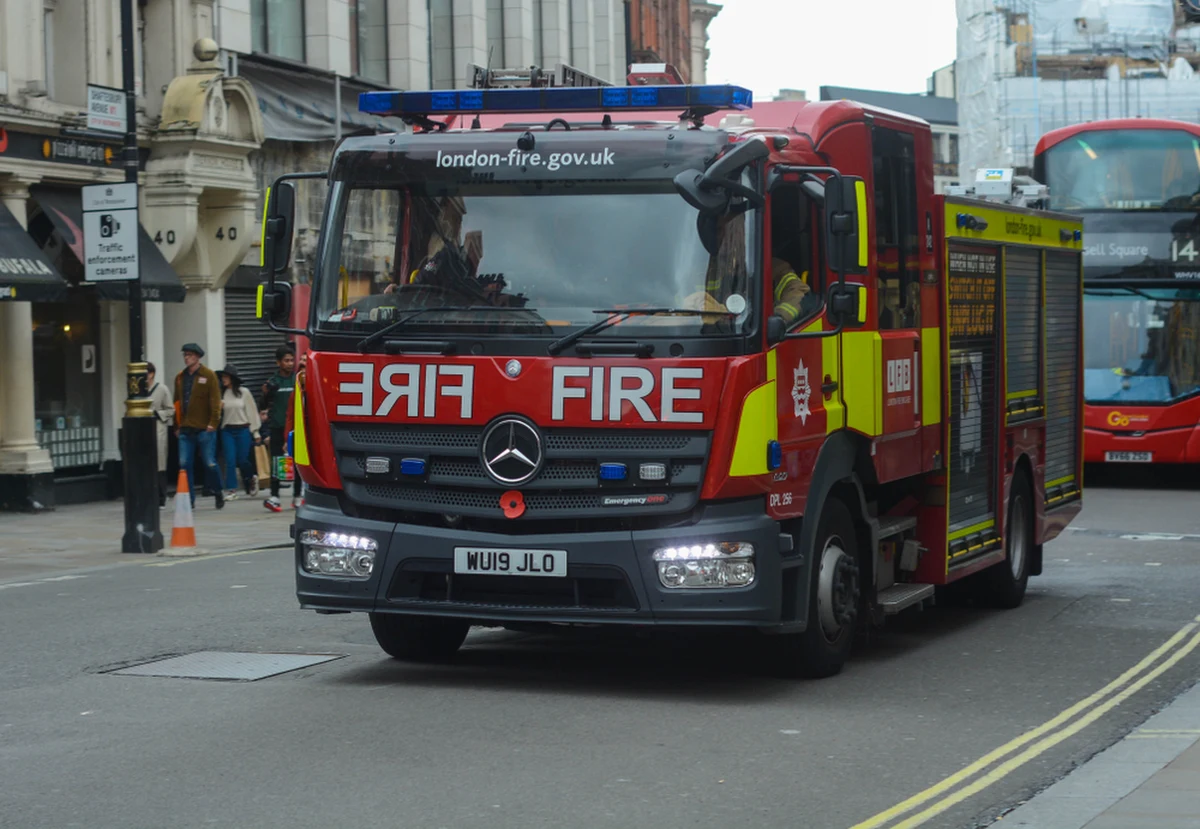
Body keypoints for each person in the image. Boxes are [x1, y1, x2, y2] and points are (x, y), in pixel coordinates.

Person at [173, 342, 223, 510]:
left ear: (198, 357)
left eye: (190, 355)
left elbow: (215, 401)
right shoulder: (180, 377)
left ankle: (218, 491)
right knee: (184, 464)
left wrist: (213, 423)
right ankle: (190, 499)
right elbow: (177, 402)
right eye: (185, 355)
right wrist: (177, 424)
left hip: (204, 428)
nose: (186, 358)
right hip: (186, 428)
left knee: (210, 463)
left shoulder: (208, 375)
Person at [260, 344, 300, 512]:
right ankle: (275, 496)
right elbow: (263, 406)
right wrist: (265, 394)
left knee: (298, 462)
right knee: (277, 461)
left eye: (292, 360)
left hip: (296, 428)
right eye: (286, 361)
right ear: (278, 362)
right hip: (277, 426)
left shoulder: (297, 380)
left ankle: (297, 496)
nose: (290, 364)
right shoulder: (273, 382)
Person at [218, 364, 261, 501]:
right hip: (227, 430)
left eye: (226, 377)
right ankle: (232, 490)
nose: (223, 379)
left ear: (232, 378)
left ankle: (251, 477)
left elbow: (252, 412)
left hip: (243, 429)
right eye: (222, 377)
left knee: (243, 460)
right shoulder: (221, 393)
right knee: (230, 460)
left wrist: (255, 432)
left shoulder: (244, 392)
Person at [146, 363, 174, 508]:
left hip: (158, 428)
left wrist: (158, 414)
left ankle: (161, 497)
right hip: (144, 429)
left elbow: (171, 410)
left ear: (151, 374)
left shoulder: (162, 389)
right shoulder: (140, 390)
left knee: (160, 463)